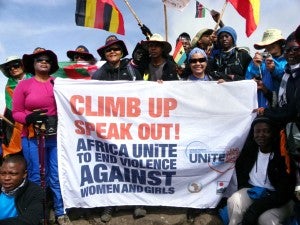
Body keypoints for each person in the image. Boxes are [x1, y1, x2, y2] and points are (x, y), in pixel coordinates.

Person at [12, 50, 73, 225]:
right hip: (32, 137)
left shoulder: (58, 84)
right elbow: (16, 112)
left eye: (47, 60)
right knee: (36, 176)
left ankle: (61, 212)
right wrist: (28, 118)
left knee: (55, 175)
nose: (44, 62)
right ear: (33, 63)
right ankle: (36, 213)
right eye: (40, 59)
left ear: (51, 64)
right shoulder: (23, 86)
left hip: (54, 138)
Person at [92, 35, 143, 222]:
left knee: (134, 161)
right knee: (110, 164)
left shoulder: (132, 71)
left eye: (116, 49)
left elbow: (145, 95)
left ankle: (138, 202)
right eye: (109, 50)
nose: (113, 52)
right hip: (109, 128)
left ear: (122, 52)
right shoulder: (98, 74)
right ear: (105, 54)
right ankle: (109, 204)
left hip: (131, 125)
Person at [227, 116, 295, 225]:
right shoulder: (250, 152)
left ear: (273, 133)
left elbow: (285, 192)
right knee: (234, 202)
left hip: (279, 198)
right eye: (257, 132)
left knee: (265, 219)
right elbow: (240, 173)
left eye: (266, 131)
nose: (261, 135)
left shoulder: (283, 156)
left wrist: (255, 209)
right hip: (254, 191)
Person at [246, 28, 287, 108]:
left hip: (284, 106)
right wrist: (255, 67)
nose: (269, 46)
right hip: (261, 107)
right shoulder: (259, 59)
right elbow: (248, 79)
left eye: (273, 43)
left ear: (279, 43)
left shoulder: (289, 59)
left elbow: (290, 80)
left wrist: (274, 70)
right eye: (267, 44)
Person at [0, 56, 32, 158]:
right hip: (19, 120)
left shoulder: (36, 77)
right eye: (10, 68)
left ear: (23, 66)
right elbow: (11, 105)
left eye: (16, 65)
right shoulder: (9, 86)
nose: (13, 69)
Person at [0, 154, 45, 225]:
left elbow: (31, 220)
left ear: (24, 174)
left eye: (13, 174)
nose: (6, 178)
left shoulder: (35, 192)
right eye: (3, 173)